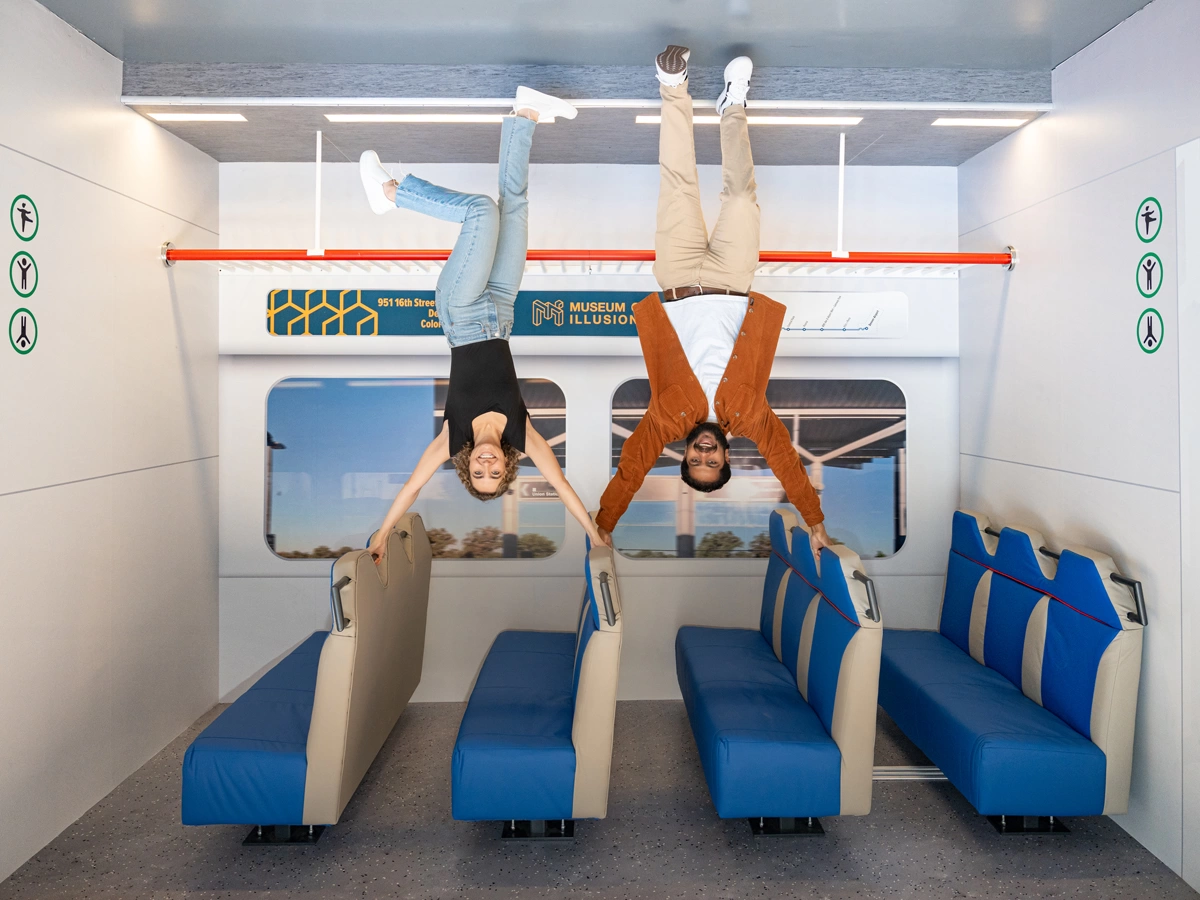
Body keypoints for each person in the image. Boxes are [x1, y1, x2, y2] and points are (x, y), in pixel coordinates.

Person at [596, 47, 832, 554]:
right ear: (726, 457)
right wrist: (813, 520)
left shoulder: (664, 419)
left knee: (678, 184)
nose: (705, 455)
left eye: (696, 462)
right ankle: (733, 105)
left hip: (678, 279)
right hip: (732, 280)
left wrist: (605, 522)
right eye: (713, 462)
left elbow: (632, 466)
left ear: (683, 455)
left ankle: (673, 86)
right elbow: (787, 463)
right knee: (742, 197)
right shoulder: (750, 416)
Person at [360, 86, 609, 562]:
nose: (488, 466)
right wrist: (595, 537)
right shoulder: (522, 434)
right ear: (508, 469)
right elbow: (560, 483)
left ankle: (391, 193)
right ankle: (526, 113)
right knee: (514, 205)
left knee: (480, 212)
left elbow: (412, 486)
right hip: (502, 309)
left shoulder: (453, 437)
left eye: (479, 474)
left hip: (462, 313)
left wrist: (380, 537)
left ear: (467, 466)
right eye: (495, 474)